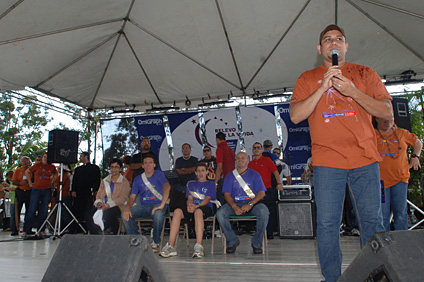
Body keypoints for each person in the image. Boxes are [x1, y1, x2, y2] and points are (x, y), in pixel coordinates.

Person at [289, 24, 392, 281]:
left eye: (339, 39)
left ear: (346, 46)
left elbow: (386, 112)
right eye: (327, 39)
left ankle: (373, 276)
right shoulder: (307, 78)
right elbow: (295, 115)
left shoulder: (365, 73)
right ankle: (332, 278)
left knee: (372, 223)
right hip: (327, 162)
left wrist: (353, 92)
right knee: (327, 225)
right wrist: (322, 88)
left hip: (365, 160)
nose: (333, 43)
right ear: (319, 48)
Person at [374, 115, 422, 231]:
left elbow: (418, 143)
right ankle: (384, 244)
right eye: (384, 118)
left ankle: (402, 243)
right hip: (380, 182)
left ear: (394, 119)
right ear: (376, 119)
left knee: (401, 213)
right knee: (382, 216)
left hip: (400, 180)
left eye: (390, 118)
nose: (387, 121)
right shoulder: (371, 135)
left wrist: (415, 156)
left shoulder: (402, 133)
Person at [216, 152, 268, 254]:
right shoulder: (230, 176)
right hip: (235, 204)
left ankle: (257, 243)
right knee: (220, 213)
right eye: (238, 158)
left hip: (253, 204)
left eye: (243, 158)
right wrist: (234, 206)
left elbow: (262, 193)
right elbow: (227, 195)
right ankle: (232, 240)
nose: (240, 160)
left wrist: (250, 204)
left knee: (264, 212)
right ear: (235, 161)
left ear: (248, 160)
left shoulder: (255, 175)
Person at [160, 163, 216, 258]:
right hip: (192, 206)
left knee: (198, 212)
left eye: (203, 170)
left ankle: (199, 246)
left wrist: (196, 206)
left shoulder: (211, 184)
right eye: (198, 171)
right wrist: (190, 205)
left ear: (206, 172)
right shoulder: (191, 184)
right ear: (195, 173)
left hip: (204, 207)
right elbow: (189, 198)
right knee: (177, 211)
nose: (200, 173)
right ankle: (170, 246)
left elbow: (207, 199)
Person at [122, 155, 170, 252]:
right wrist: (127, 208)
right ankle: (137, 239)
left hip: (158, 204)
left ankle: (156, 241)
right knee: (125, 215)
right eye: (146, 163)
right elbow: (132, 197)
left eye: (150, 162)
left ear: (154, 165)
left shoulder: (159, 174)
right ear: (142, 166)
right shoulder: (138, 179)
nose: (148, 165)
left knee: (158, 215)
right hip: (144, 206)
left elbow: (167, 187)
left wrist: (162, 204)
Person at [248, 142, 283, 239]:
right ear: (252, 150)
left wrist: (279, 183)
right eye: (254, 148)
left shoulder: (267, 160)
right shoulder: (250, 164)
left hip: (268, 190)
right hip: (255, 193)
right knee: (258, 211)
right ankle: (260, 232)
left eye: (258, 148)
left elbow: (275, 172)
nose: (256, 149)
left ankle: (269, 233)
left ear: (262, 150)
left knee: (269, 211)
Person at [87, 158, 130, 234]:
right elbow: (99, 195)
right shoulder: (104, 181)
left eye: (116, 167)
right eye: (112, 167)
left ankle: (115, 233)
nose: (114, 169)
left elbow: (122, 198)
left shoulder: (124, 182)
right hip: (103, 204)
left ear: (120, 169)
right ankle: (95, 235)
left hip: (118, 206)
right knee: (89, 214)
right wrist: (99, 203)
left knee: (109, 213)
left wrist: (107, 205)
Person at [23, 152, 58, 237]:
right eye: (44, 157)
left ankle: (41, 229)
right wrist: (30, 182)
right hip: (36, 189)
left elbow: (56, 174)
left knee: (43, 210)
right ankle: (26, 230)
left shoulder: (52, 167)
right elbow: (27, 172)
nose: (45, 159)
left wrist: (52, 181)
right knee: (32, 209)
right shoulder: (37, 165)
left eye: (47, 157)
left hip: (47, 189)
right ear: (42, 158)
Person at [71, 152, 101, 233]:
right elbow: (75, 181)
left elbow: (97, 180)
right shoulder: (78, 169)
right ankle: (77, 227)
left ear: (86, 156)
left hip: (89, 193)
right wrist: (73, 190)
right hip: (79, 193)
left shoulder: (95, 168)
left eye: (81, 156)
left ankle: (89, 227)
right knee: (78, 210)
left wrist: (96, 190)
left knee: (88, 210)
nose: (80, 158)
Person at [171, 143, 198, 211]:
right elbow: (178, 171)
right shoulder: (178, 160)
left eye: (187, 148)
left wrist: (184, 169)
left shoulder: (194, 159)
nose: (185, 150)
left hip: (192, 184)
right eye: (184, 148)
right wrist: (189, 171)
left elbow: (194, 169)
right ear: (182, 150)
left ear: (190, 150)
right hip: (181, 184)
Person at [11, 156, 32, 235]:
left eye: (26, 161)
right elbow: (13, 181)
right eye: (23, 161)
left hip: (28, 192)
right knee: (17, 210)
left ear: (29, 162)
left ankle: (27, 229)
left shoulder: (31, 170)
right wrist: (20, 183)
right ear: (21, 162)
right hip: (20, 191)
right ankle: (15, 228)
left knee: (29, 210)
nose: (25, 163)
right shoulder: (17, 171)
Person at [214, 132, 236, 205]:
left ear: (217, 139)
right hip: (233, 179)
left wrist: (216, 182)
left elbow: (219, 167)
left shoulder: (220, 149)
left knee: (222, 202)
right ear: (225, 139)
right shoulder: (230, 149)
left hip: (224, 180)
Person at [51, 164, 73, 230]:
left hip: (61, 195)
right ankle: (67, 227)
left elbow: (54, 184)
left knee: (62, 212)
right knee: (64, 212)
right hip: (66, 195)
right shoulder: (68, 176)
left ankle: (54, 227)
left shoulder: (61, 177)